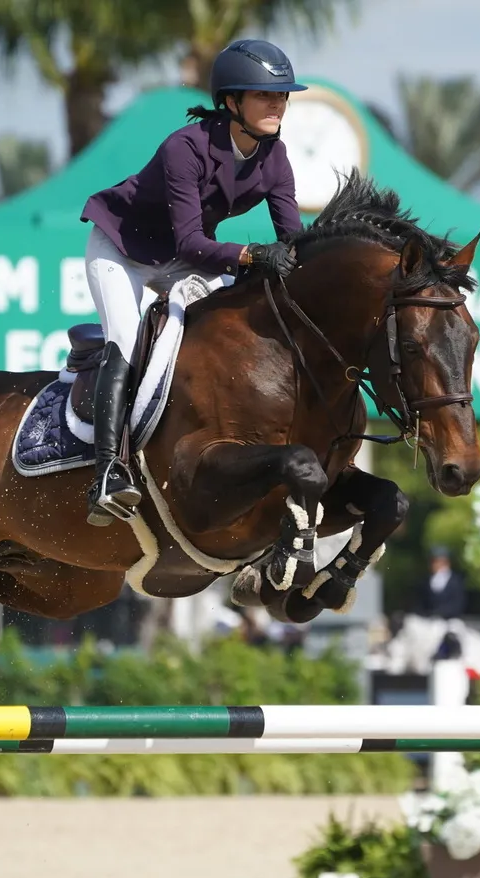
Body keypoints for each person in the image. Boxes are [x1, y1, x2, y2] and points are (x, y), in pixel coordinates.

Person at [78, 38, 308, 526]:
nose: (277, 104)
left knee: (225, 324)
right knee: (124, 339)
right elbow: (189, 242)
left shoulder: (276, 157)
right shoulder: (186, 147)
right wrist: (251, 254)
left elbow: (295, 239)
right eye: (264, 95)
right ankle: (107, 472)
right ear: (231, 102)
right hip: (122, 250)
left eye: (282, 96)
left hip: (185, 259)